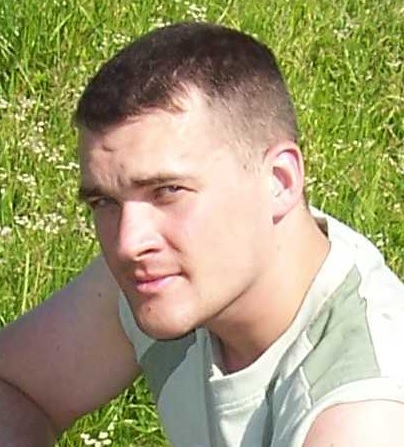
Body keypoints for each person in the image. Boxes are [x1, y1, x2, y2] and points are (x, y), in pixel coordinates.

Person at [0, 22, 403, 447]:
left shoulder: (364, 414)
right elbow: (17, 387)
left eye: (168, 191)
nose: (128, 244)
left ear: (280, 181)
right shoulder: (173, 272)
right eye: (104, 202)